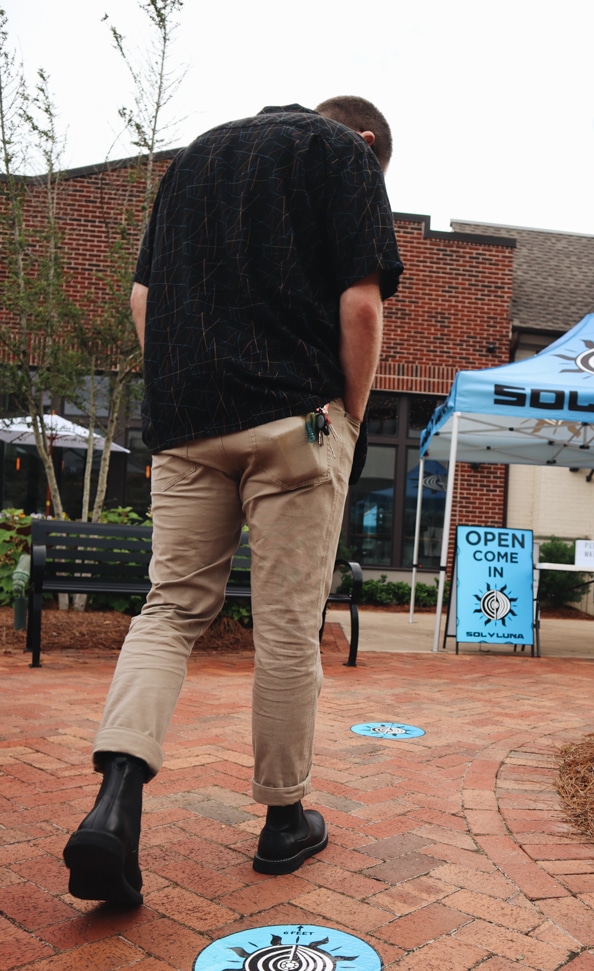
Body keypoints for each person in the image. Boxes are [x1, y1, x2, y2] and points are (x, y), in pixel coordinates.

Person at [62, 97, 403, 905]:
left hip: (189, 423)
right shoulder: (343, 153)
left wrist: (189, 390)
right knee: (287, 624)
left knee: (171, 608)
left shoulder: (194, 161)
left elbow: (144, 302)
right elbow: (361, 307)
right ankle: (284, 823)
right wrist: (350, 419)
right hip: (298, 421)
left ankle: (115, 803)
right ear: (368, 142)